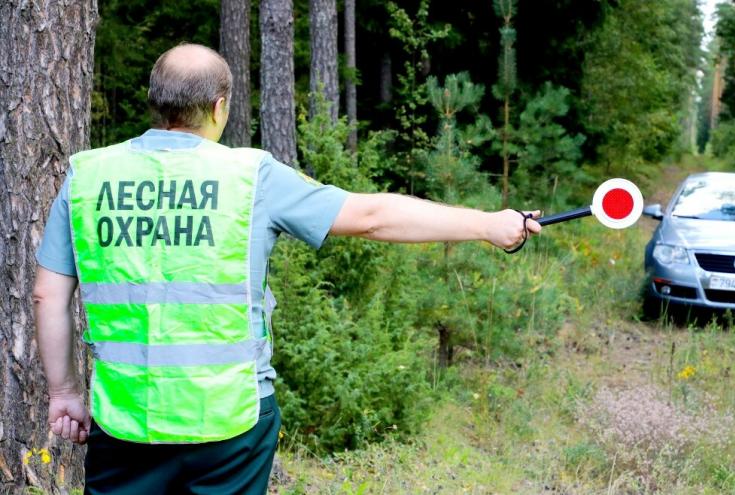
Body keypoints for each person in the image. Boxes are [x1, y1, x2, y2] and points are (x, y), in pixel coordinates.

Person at [32, 43, 541, 494]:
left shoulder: (87, 176)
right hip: (230, 420)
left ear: (155, 100)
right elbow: (371, 217)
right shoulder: (252, 175)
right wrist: (488, 224)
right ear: (219, 107)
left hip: (125, 420)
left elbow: (47, 296)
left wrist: (64, 393)